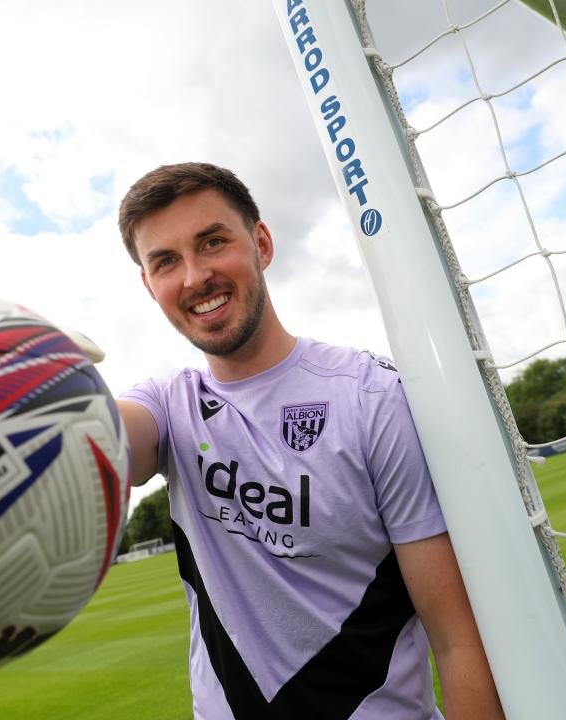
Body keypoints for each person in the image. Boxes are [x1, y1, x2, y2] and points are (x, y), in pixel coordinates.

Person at [113, 162, 504, 719]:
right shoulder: (168, 404)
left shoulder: (372, 398)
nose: (196, 276)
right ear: (150, 286)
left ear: (261, 243)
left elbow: (457, 638)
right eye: (166, 261)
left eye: (213, 242)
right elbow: (102, 447)